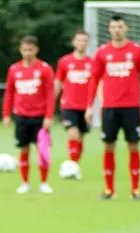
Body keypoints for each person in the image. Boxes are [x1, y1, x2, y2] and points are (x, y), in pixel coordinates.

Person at [85, 14, 140, 200]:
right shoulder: (102, 53)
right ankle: (109, 189)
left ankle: (135, 189)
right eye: (114, 27)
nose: (117, 30)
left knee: (133, 145)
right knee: (108, 145)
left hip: (131, 106)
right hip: (110, 107)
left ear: (126, 28)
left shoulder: (137, 51)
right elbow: (94, 80)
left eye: (120, 27)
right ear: (109, 29)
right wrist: (89, 106)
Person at [2, 35, 56, 194]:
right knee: (23, 149)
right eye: (25, 50)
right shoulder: (14, 69)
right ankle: (25, 183)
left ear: (36, 50)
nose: (27, 53)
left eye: (30, 50)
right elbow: (9, 93)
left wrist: (48, 116)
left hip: (39, 116)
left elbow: (50, 94)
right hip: (21, 115)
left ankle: (44, 182)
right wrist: (6, 114)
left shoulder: (44, 69)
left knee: (42, 150)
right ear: (20, 50)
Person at [55, 29, 93, 168]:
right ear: (73, 42)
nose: (82, 43)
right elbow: (58, 82)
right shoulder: (65, 61)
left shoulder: (92, 63)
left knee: (81, 137)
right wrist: (52, 100)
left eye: (84, 41)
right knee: (73, 134)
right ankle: (72, 165)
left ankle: (74, 165)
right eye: (79, 40)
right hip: (68, 105)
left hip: (85, 106)